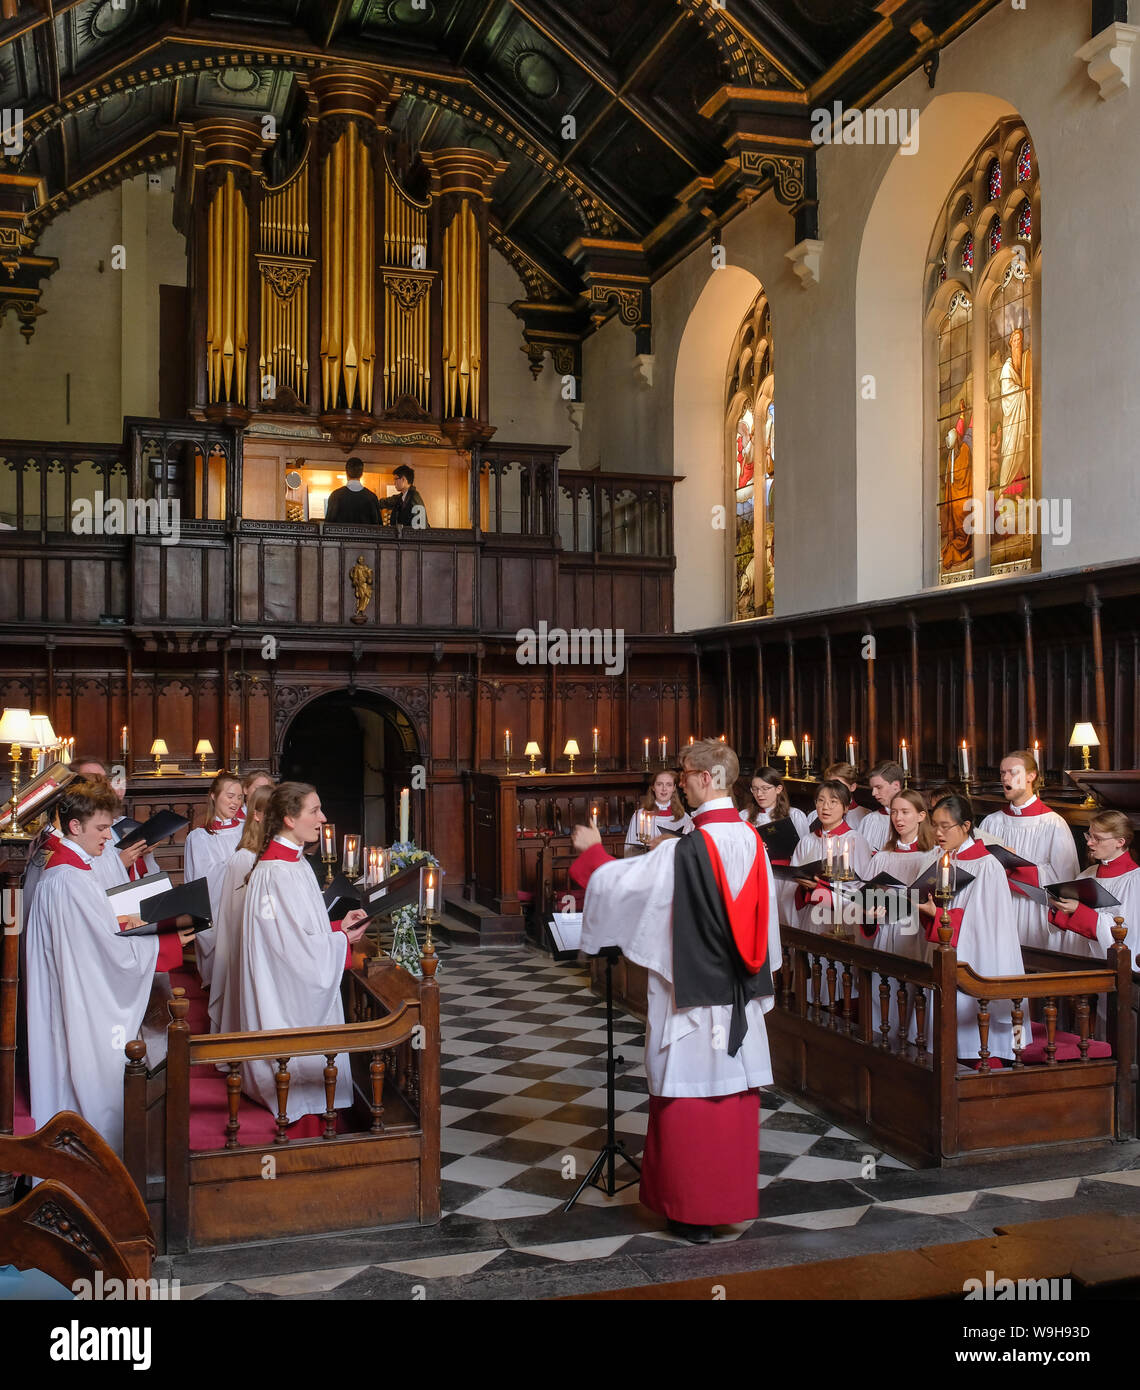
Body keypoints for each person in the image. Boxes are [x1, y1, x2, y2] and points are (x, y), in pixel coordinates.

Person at [569, 739, 780, 1244]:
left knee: (687, 1095)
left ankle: (688, 1211)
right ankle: (721, 1207)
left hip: (691, 999)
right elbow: (767, 927)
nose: (680, 781)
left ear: (708, 778)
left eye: (685, 774)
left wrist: (591, 853)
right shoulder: (753, 842)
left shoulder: (687, 850)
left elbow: (626, 886)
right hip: (736, 996)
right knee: (728, 1096)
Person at [24, 781, 192, 1154]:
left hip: (69, 990)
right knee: (86, 1078)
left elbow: (97, 934)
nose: (108, 837)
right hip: (81, 998)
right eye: (101, 829)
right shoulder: (69, 880)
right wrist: (167, 943)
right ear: (74, 827)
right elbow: (105, 956)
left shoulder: (68, 869)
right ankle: (94, 1164)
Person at [237, 783, 368, 1131]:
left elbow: (302, 930)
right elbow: (288, 953)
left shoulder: (295, 863)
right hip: (283, 996)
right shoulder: (273, 874)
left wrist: (338, 926)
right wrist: (341, 939)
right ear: (289, 819)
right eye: (314, 811)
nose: (323, 818)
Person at [916, 794, 1024, 1066]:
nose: (938, 833)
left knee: (977, 1031)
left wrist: (939, 914)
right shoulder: (942, 860)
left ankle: (988, 1058)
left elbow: (982, 923)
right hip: (946, 950)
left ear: (965, 826)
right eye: (934, 825)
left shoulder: (986, 865)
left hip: (978, 956)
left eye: (945, 826)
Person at [978, 750, 1079, 951]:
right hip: (999, 906)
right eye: (1002, 773)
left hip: (1035, 910)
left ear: (1031, 777)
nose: (1005, 778)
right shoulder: (992, 822)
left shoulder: (1053, 823)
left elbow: (1065, 880)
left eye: (1012, 772)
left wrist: (1016, 867)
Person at [208, 784, 272, 1033]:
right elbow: (234, 920)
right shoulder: (243, 858)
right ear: (257, 815)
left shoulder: (268, 854)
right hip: (245, 954)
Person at [1047, 811, 1140, 962]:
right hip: (1082, 961)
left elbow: (1129, 935)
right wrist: (1059, 908)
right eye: (1089, 835)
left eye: (1098, 838)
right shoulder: (1086, 875)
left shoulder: (1135, 881)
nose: (1089, 842)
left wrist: (1078, 910)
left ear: (1120, 842)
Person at [184, 771, 245, 990]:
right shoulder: (199, 837)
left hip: (244, 909)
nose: (235, 802)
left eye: (239, 797)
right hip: (218, 914)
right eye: (230, 796)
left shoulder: (246, 831)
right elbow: (201, 882)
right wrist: (240, 863)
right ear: (213, 796)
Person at [789, 780, 874, 934]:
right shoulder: (807, 841)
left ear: (846, 807)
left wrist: (820, 889)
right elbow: (792, 884)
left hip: (843, 915)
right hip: (812, 916)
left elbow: (861, 886)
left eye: (833, 802)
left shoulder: (855, 840)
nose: (825, 807)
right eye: (821, 801)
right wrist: (802, 886)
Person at [740, 765, 809, 926]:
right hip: (756, 876)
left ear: (778, 789)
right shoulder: (744, 816)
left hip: (786, 879)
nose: (759, 794)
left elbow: (804, 850)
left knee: (785, 922)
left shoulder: (795, 815)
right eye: (755, 789)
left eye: (765, 788)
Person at [624, 770, 693, 850]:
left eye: (669, 785)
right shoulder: (640, 816)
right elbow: (629, 850)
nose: (664, 789)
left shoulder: (684, 817)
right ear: (653, 787)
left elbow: (688, 849)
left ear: (674, 788)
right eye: (659, 784)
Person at [859, 761, 905, 852]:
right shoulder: (870, 820)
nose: (873, 793)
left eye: (879, 787)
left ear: (896, 785)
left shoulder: (913, 818)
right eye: (872, 789)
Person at [323, 456, 383, 525]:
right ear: (362, 474)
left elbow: (328, 526)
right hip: (365, 536)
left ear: (346, 472)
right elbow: (379, 528)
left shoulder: (336, 496)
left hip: (342, 536)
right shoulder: (371, 497)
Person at [377, 464, 428, 529]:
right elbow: (384, 502)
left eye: (396, 479)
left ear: (403, 479)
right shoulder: (401, 497)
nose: (394, 483)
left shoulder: (414, 497)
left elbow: (420, 526)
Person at [822, 762, 868, 828]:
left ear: (852, 787)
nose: (834, 790)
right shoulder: (817, 814)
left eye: (839, 785)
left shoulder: (865, 816)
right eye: (829, 785)